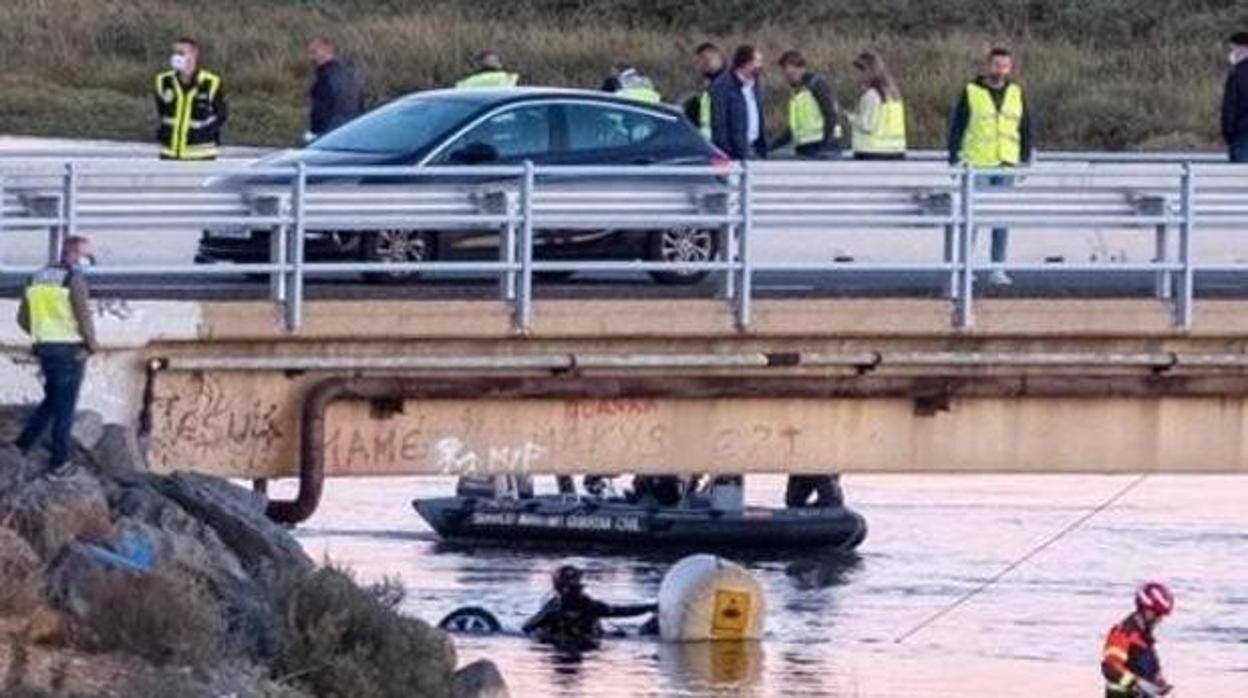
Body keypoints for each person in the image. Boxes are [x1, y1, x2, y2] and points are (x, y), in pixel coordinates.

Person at [947, 47, 1033, 286]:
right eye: (997, 65)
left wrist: (1025, 157)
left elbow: (1025, 126)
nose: (1001, 70)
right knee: (972, 219)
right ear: (987, 65)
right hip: (978, 163)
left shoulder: (1016, 92)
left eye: (1005, 66)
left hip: (1006, 162)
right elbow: (958, 125)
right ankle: (966, 265)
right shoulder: (971, 91)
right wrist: (954, 158)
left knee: (1001, 218)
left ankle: (997, 267)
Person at [15, 236, 100, 477]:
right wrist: (92, 345)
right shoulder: (74, 279)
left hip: (45, 348)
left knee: (52, 400)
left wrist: (43, 332)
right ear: (73, 254)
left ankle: (22, 445)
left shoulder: (36, 277)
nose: (89, 261)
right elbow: (84, 318)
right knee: (65, 408)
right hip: (70, 351)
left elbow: (22, 319)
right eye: (87, 256)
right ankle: (59, 462)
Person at [522, 565, 657, 649]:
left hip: (591, 638)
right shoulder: (553, 609)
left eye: (578, 587)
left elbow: (620, 611)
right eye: (572, 587)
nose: (577, 592)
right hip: (571, 641)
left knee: (638, 632)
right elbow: (527, 628)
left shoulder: (590, 605)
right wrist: (547, 638)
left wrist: (648, 608)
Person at [154, 37, 227, 160]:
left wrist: (204, 134)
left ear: (194, 55)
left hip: (201, 154)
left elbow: (221, 115)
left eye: (181, 53)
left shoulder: (210, 82)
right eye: (174, 53)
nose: (177, 57)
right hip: (169, 152)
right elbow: (162, 111)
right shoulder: (163, 81)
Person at [1101, 582, 1175, 697]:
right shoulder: (1123, 633)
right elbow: (1111, 668)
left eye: (1161, 615)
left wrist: (1159, 682)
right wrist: (1136, 684)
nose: (1159, 619)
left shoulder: (1145, 637)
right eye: (1156, 614)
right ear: (1143, 609)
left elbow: (1149, 669)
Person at [771, 50, 842, 159]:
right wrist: (770, 146)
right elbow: (793, 130)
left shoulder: (817, 85)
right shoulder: (797, 93)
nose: (788, 78)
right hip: (806, 147)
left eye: (791, 73)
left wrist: (825, 144)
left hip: (821, 148)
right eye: (786, 74)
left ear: (801, 68)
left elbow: (830, 115)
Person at [709, 45, 767, 160]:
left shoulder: (755, 86)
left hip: (754, 149)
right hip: (734, 154)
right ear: (746, 63)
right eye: (758, 61)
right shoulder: (723, 85)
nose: (761, 66)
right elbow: (719, 123)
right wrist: (729, 152)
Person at [847, 51, 907, 160]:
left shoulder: (872, 95)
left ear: (869, 72)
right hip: (896, 152)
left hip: (872, 152)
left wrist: (850, 118)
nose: (856, 76)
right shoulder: (894, 95)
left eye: (860, 71)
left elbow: (867, 125)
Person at [305, 37, 365, 143]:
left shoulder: (326, 76)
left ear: (328, 50)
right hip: (353, 129)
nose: (311, 58)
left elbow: (321, 109)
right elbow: (360, 102)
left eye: (314, 52)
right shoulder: (349, 73)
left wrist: (314, 132)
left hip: (331, 132)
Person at [684, 43, 726, 139]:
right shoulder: (708, 82)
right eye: (700, 60)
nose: (701, 64)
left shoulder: (723, 84)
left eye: (706, 59)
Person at [1223, 32, 1248, 162]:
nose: (1230, 54)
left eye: (1232, 50)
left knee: (1240, 179)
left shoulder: (1237, 74)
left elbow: (1230, 107)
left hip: (1242, 135)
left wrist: (1228, 133)